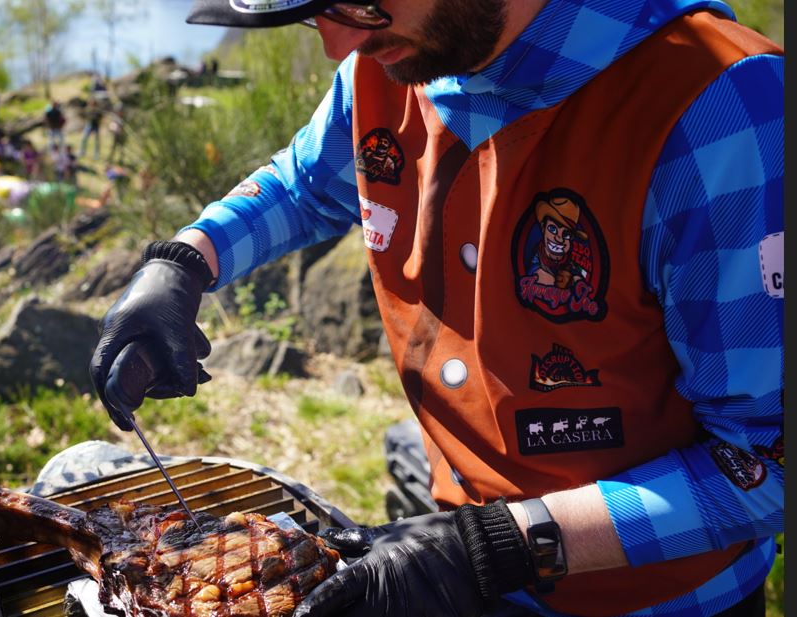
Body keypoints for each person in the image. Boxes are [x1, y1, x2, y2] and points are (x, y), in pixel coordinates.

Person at [89, 2, 783, 616]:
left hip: (660, 599)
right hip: (463, 553)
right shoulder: (390, 59)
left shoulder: (724, 110)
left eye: (356, 1)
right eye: (312, 11)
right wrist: (186, 260)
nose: (336, 45)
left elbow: (768, 464)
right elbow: (305, 186)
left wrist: (496, 545)